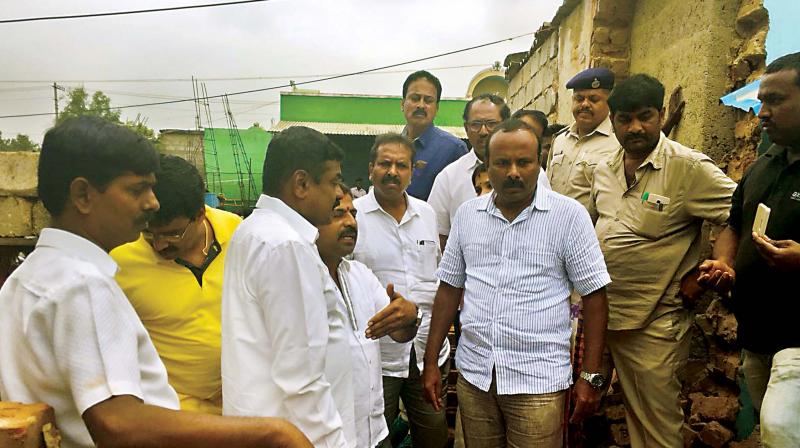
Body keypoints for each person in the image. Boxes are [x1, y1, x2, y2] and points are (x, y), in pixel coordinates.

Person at [0, 116, 310, 448]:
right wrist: (272, 432)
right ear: (83, 196)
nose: (153, 203)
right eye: (137, 189)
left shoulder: (26, 279)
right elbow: (120, 424)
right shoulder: (82, 285)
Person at [423, 119, 611, 447]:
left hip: (538, 381)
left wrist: (590, 376)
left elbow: (595, 296)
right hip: (476, 376)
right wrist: (430, 363)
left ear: (539, 164)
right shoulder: (468, 215)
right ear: (487, 167)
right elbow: (449, 290)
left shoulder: (568, 216)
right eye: (502, 163)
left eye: (524, 162)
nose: (513, 172)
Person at [589, 74, 736, 448]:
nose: (635, 127)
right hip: (600, 315)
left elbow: (741, 215)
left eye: (645, 116)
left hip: (653, 322)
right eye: (624, 118)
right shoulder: (604, 168)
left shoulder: (687, 168)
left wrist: (707, 272)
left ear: (661, 115)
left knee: (655, 428)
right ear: (613, 120)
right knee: (585, 411)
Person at [221, 126, 355, 447]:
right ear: (302, 184)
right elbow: (301, 377)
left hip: (267, 426)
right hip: (294, 433)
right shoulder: (285, 245)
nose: (340, 193)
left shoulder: (254, 230)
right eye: (334, 181)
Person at [698, 52, 800, 447]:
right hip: (757, 334)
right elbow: (735, 223)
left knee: (781, 429)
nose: (762, 113)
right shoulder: (765, 162)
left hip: (797, 336)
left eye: (775, 100)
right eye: (761, 101)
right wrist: (724, 261)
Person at [110, 154, 242, 415]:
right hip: (171, 414)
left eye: (172, 233)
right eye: (149, 233)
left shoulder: (239, 235)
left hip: (239, 403)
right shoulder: (119, 261)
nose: (159, 245)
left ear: (200, 214)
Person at [352, 133, 451, 448]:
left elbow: (435, 277)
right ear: (371, 169)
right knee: (377, 439)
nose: (392, 171)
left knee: (433, 435)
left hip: (427, 353)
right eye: (385, 163)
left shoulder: (426, 213)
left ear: (411, 171)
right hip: (377, 356)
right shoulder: (351, 217)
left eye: (401, 165)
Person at [316, 187, 421, 448]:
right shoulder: (302, 279)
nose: (351, 222)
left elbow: (399, 333)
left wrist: (410, 315)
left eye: (353, 213)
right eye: (338, 213)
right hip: (329, 435)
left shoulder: (359, 274)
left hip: (374, 431)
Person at [428, 94, 551, 249]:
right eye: (476, 124)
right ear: (466, 128)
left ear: (506, 124)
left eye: (491, 124)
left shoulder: (534, 173)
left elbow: (548, 221)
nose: (484, 131)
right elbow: (438, 236)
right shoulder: (448, 178)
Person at [547, 67, 620, 211]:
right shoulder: (560, 140)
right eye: (579, 98)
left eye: (594, 99)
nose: (585, 104)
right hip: (553, 228)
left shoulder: (618, 142)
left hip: (591, 230)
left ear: (609, 103)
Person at [401, 70, 468, 200]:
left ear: (436, 108)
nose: (421, 105)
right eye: (415, 98)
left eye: (428, 100)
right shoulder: (391, 147)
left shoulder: (454, 149)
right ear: (402, 104)